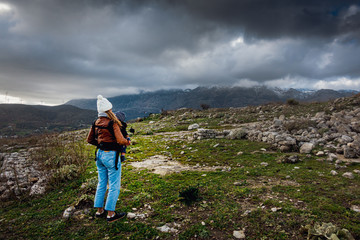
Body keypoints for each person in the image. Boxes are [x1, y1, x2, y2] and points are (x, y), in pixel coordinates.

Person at [87, 95, 130, 222]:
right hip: (111, 156)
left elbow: (89, 140)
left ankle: (99, 211)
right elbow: (120, 140)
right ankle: (111, 214)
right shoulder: (113, 123)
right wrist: (128, 142)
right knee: (114, 185)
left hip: (99, 155)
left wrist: (101, 145)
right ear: (108, 110)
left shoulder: (96, 123)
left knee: (101, 183)